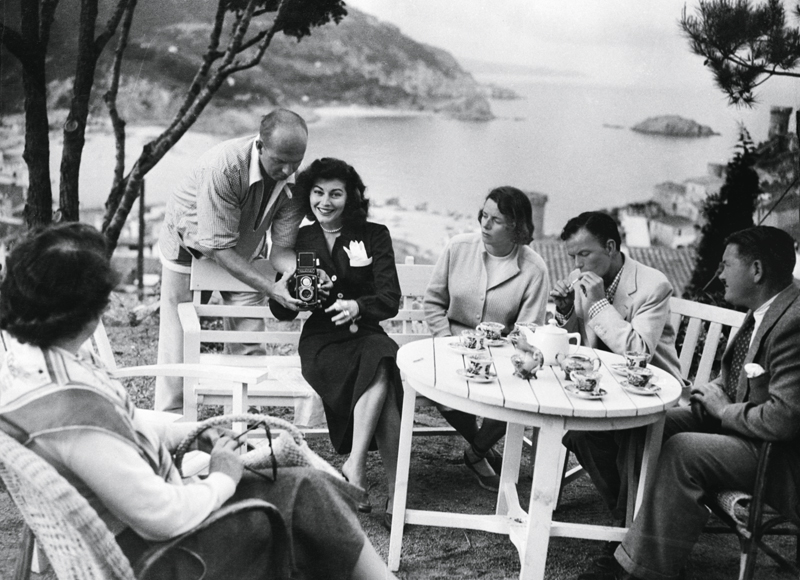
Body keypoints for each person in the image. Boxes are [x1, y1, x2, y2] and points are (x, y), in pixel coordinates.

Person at [0, 222, 398, 580]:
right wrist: (223, 473)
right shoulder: (74, 414)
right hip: (169, 557)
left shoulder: (30, 362)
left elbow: (123, 421)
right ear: (85, 312)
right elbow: (164, 517)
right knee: (306, 495)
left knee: (306, 491)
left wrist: (190, 430)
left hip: (132, 526)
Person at [578, 225, 800, 580]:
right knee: (648, 426)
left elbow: (784, 419)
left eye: (727, 265)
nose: (719, 273)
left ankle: (639, 571)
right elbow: (740, 375)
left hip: (779, 456)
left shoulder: (794, 321)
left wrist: (723, 410)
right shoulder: (766, 308)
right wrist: (711, 393)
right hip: (747, 430)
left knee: (684, 450)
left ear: (756, 271)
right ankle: (633, 537)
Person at [269, 158, 402, 525]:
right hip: (323, 341)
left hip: (367, 333)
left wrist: (357, 305)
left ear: (351, 197)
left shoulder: (374, 235)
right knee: (385, 376)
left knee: (381, 358)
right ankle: (393, 490)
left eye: (335, 194)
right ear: (308, 194)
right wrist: (295, 290)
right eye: (317, 192)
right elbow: (282, 310)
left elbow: (390, 298)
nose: (325, 201)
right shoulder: (301, 239)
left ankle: (358, 468)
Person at [156, 108, 309, 413]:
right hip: (189, 241)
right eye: (279, 161)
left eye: (296, 160)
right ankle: (172, 419)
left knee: (246, 334)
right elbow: (217, 248)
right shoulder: (225, 166)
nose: (287, 170)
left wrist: (296, 276)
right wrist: (269, 287)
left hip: (242, 247)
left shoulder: (295, 182)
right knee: (179, 330)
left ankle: (245, 416)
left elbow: (280, 250)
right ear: (260, 146)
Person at [550, 211, 683, 523]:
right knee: (579, 435)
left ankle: (630, 526)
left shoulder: (653, 285)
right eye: (572, 256)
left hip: (652, 394)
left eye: (584, 254)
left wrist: (597, 304)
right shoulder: (580, 278)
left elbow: (639, 353)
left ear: (610, 247)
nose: (576, 266)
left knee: (624, 438)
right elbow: (579, 342)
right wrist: (566, 309)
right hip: (604, 389)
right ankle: (629, 520)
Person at [423, 186, 550, 492]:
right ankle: (482, 450)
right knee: (442, 386)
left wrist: (502, 352)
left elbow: (527, 329)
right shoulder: (457, 248)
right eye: (483, 215)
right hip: (450, 345)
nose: (484, 224)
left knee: (521, 391)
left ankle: (476, 452)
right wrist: (446, 341)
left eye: (496, 220)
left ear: (516, 228)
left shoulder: (534, 269)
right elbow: (433, 303)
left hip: (502, 355)